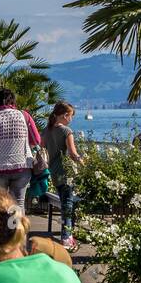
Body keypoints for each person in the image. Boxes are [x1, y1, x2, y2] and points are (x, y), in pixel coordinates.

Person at [0, 89, 41, 211]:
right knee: (18, 204)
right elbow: (36, 140)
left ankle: (1, 230)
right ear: (14, 101)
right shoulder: (24, 116)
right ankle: (17, 229)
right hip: (22, 166)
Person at [44, 102, 85, 250]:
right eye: (71, 116)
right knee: (67, 205)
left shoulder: (47, 130)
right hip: (66, 172)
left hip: (54, 172)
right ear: (65, 115)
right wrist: (84, 164)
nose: (71, 119)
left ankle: (67, 235)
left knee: (64, 202)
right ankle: (66, 238)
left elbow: (42, 149)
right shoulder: (66, 131)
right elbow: (73, 154)